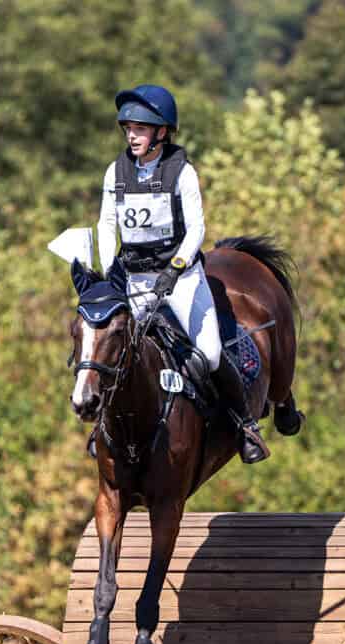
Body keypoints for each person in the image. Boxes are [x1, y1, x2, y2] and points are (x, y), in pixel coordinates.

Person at [96, 84, 269, 464]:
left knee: (208, 354)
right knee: (110, 348)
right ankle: (103, 430)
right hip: (135, 280)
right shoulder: (116, 172)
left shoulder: (182, 172)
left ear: (162, 132)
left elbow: (196, 230)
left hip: (181, 279)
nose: (132, 136)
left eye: (140, 129)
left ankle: (245, 426)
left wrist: (176, 267)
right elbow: (107, 225)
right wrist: (111, 273)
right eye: (129, 128)